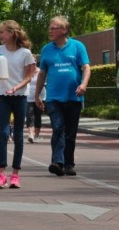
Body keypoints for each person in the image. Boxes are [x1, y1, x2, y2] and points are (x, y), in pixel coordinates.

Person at [35, 16, 91, 178]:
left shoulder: (77, 46)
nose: (50, 30)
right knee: (58, 128)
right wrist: (37, 94)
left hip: (73, 97)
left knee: (70, 133)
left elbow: (86, 67)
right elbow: (42, 73)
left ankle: (69, 164)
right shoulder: (46, 49)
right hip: (54, 97)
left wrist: (83, 85)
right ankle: (57, 162)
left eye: (54, 28)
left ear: (64, 30)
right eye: (50, 28)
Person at [0, 20, 35, 189]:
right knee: (2, 133)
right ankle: (1, 173)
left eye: (2, 32)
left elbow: (29, 76)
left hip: (20, 95)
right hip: (4, 95)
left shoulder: (25, 53)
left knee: (18, 135)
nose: (0, 35)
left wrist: (17, 86)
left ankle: (15, 174)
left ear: (11, 33)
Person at [26, 62, 45, 143]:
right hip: (29, 97)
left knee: (37, 116)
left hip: (40, 96)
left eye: (33, 62)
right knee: (29, 115)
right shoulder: (27, 72)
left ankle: (36, 135)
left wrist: (39, 97)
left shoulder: (40, 71)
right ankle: (31, 135)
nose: (31, 64)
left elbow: (43, 83)